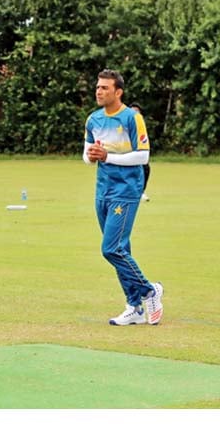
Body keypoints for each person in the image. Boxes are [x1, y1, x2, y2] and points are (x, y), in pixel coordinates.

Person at [84, 69, 163, 326]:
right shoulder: (93, 119)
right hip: (102, 190)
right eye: (98, 87)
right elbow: (87, 156)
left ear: (118, 92)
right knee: (121, 249)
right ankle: (134, 307)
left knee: (110, 248)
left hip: (126, 190)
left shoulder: (132, 118)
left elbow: (143, 156)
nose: (99, 91)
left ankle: (150, 290)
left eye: (105, 88)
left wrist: (108, 157)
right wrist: (93, 155)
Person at [129, 103, 151, 201]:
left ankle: (140, 192)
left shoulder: (141, 125)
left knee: (146, 168)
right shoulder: (125, 123)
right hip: (126, 154)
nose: (135, 113)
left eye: (137, 111)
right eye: (133, 110)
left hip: (139, 153)